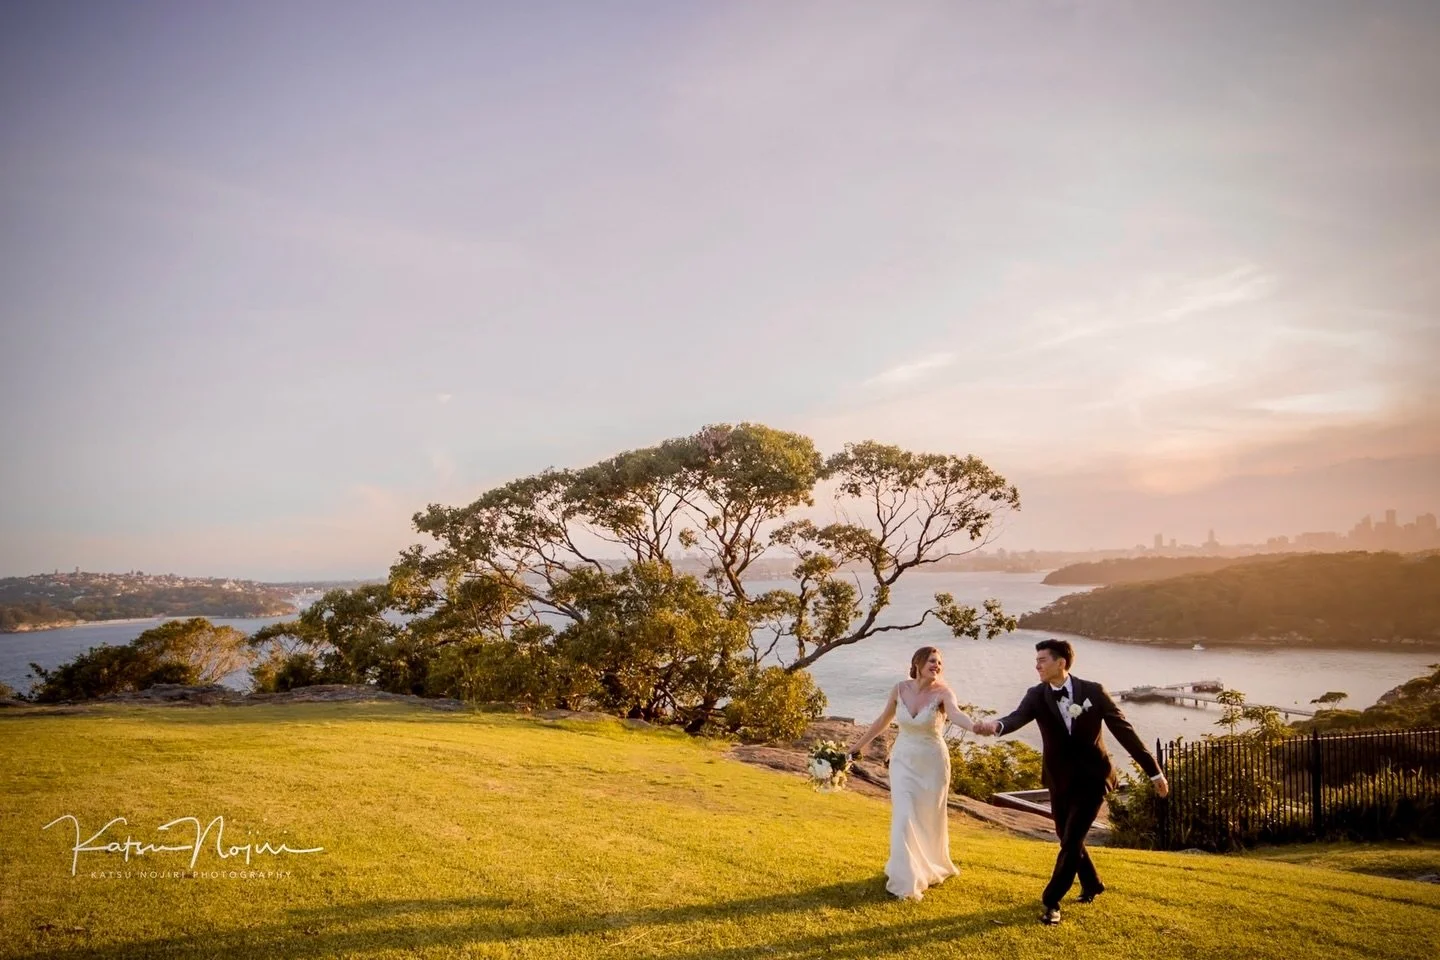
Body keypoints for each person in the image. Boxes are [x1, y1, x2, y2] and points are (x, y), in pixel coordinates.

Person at [973, 638, 1169, 926]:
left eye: (1042, 660)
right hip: (1058, 779)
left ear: (1061, 662)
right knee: (1068, 837)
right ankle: (1092, 884)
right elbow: (1017, 717)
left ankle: (1052, 901)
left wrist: (1154, 772)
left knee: (1072, 839)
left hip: (1093, 778)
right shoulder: (1036, 695)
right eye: (1037, 660)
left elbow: (1124, 731)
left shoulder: (1093, 691)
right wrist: (996, 726)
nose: (1036, 665)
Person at [848, 645, 977, 900]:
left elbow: (956, 714)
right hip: (903, 760)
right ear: (917, 662)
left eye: (939, 662)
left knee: (928, 817)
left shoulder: (943, 693)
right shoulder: (899, 689)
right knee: (905, 814)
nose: (937, 666)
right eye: (932, 660)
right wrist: (854, 748)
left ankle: (929, 863)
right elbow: (882, 721)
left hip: (932, 763)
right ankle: (906, 878)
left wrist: (977, 727)